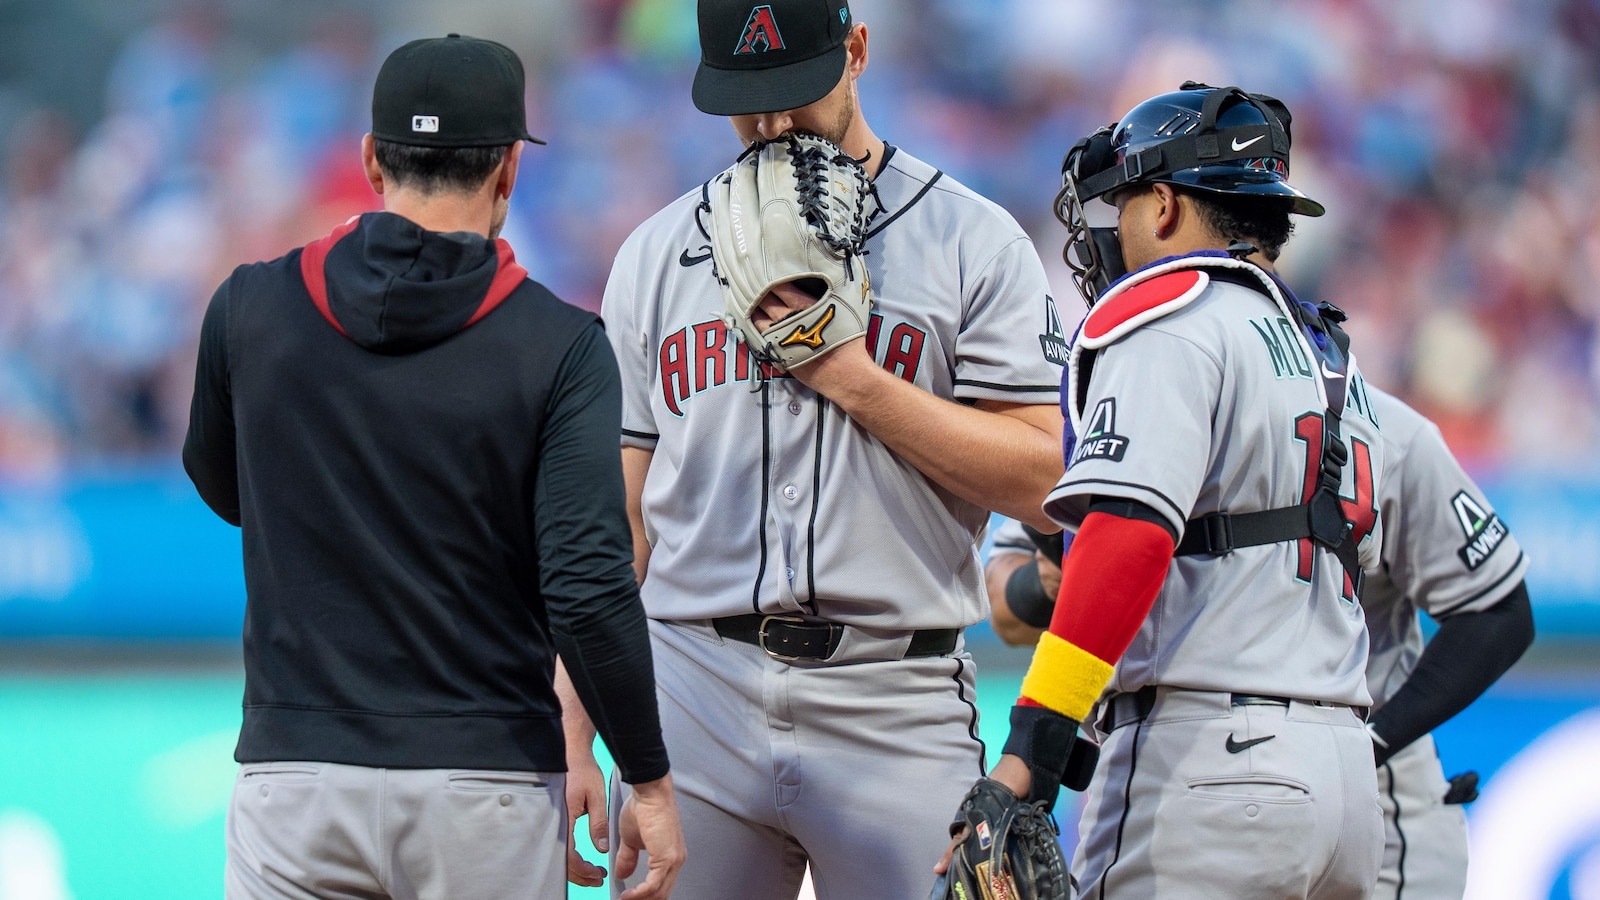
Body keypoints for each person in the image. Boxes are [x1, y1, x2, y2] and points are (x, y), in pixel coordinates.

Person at [560, 1, 1068, 897]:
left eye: (797, 92)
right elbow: (621, 525)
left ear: (858, 51)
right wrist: (571, 716)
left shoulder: (970, 239)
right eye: (748, 102)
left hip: (893, 695)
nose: (775, 124)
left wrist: (853, 378)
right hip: (695, 689)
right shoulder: (655, 255)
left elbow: (1047, 478)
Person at [183, 34, 684, 900]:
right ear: (507, 174)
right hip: (481, 784)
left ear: (373, 159)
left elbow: (225, 489)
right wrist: (647, 774)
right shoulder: (560, 346)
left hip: (293, 776)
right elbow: (586, 588)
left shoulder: (246, 308)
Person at [951, 83, 1390, 898]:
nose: (1109, 227)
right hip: (1345, 780)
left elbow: (1131, 536)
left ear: (1162, 206)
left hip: (1213, 768)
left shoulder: (1167, 314)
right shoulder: (1331, 353)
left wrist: (1033, 752)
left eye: (1121, 203)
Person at [985, 380, 1536, 897]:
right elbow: (1004, 602)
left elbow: (1501, 610)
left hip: (1375, 792)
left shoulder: (1388, 430)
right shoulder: (1152, 408)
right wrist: (1059, 581)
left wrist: (1376, 742)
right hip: (1178, 766)